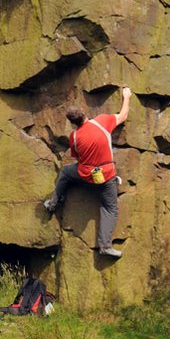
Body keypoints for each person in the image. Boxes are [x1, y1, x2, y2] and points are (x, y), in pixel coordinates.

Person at [44, 87, 132, 258]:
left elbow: (76, 157)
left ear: (72, 123)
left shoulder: (74, 137)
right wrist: (126, 97)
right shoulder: (102, 122)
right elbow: (123, 116)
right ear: (84, 113)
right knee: (110, 208)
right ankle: (105, 246)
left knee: (66, 172)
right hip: (106, 176)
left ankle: (53, 203)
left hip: (86, 174)